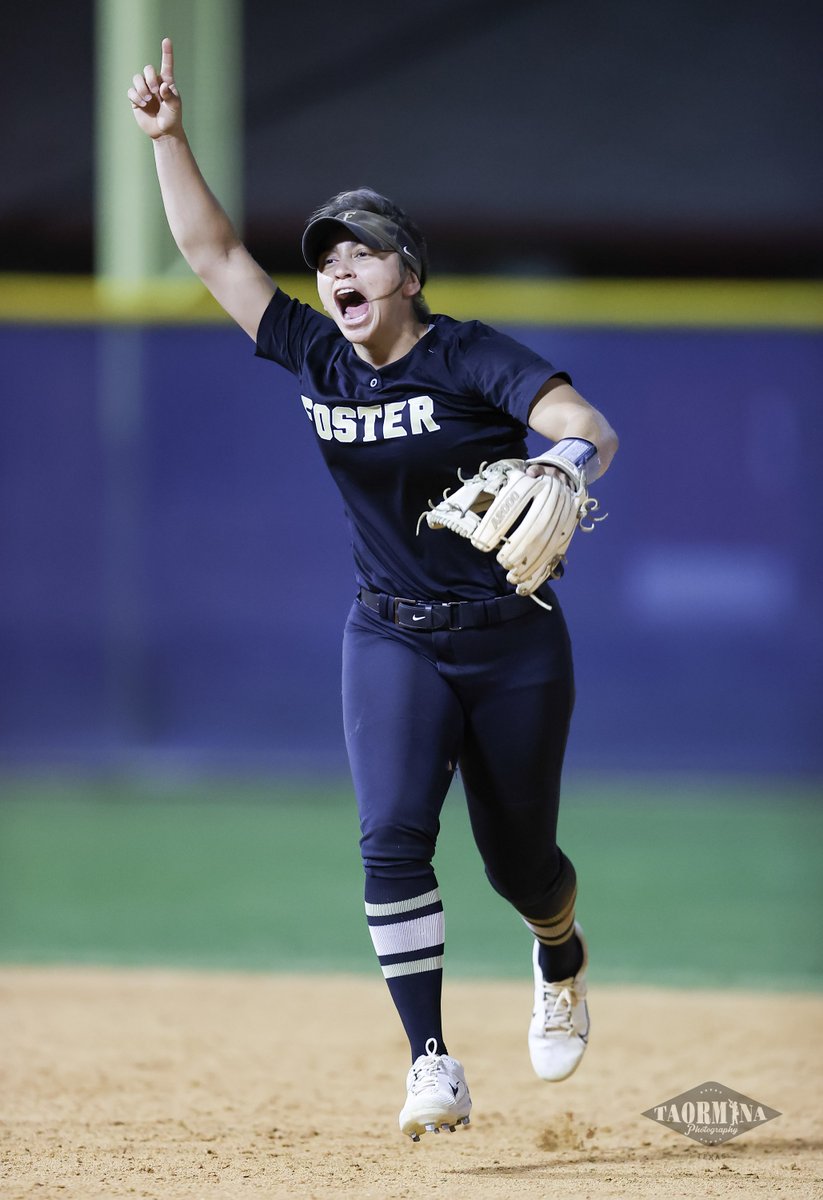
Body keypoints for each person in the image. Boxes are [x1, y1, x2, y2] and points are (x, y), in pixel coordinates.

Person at [128, 39, 619, 1142]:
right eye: (328, 256)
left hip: (511, 644)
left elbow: (585, 424)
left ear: (408, 275)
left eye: (363, 252)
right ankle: (431, 1061)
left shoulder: (468, 355)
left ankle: (560, 953)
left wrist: (562, 463)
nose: (338, 268)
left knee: (520, 863)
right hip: (389, 634)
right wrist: (168, 141)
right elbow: (212, 255)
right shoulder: (319, 355)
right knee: (391, 838)